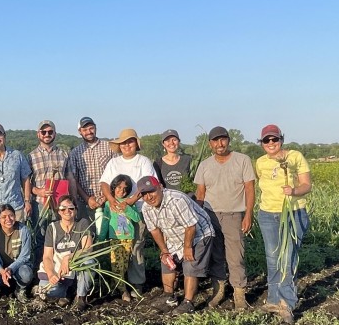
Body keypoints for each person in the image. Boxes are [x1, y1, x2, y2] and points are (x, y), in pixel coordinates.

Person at [194, 126, 256, 310]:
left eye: (223, 139)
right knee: (216, 255)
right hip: (210, 215)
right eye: (215, 140)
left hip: (233, 215)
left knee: (236, 256)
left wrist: (248, 214)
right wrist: (199, 217)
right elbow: (200, 193)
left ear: (228, 140)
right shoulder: (205, 164)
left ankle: (239, 293)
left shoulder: (242, 160)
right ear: (210, 144)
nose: (219, 144)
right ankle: (218, 291)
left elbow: (250, 189)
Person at [255, 124, 311, 324]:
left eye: (274, 139)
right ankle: (272, 299)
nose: (271, 143)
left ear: (281, 140)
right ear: (262, 143)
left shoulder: (294, 157)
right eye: (267, 140)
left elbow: (307, 185)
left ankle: (286, 303)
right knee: (272, 257)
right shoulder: (260, 163)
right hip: (268, 214)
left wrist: (293, 192)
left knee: (288, 258)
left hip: (292, 214)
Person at [139, 176, 215, 315]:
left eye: (152, 191)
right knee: (167, 262)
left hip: (199, 233)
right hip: (175, 236)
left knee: (190, 264)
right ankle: (169, 297)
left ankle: (188, 302)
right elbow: (154, 230)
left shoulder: (177, 200)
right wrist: (164, 250)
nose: (149, 197)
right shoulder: (146, 208)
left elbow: (191, 226)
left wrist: (187, 248)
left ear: (160, 187)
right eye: (144, 194)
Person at [99, 128, 157, 293]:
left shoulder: (143, 161)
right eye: (123, 142)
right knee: (118, 248)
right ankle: (119, 284)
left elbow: (149, 182)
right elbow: (104, 183)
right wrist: (111, 200)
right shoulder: (114, 163)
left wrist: (131, 201)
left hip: (138, 209)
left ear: (136, 144)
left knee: (136, 246)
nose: (127, 145)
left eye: (130, 141)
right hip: (117, 213)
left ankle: (136, 283)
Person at [36, 195, 94, 311]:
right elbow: (47, 256)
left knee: (89, 262)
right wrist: (51, 274)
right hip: (57, 268)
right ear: (59, 212)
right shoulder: (52, 228)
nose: (67, 211)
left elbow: (88, 249)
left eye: (71, 208)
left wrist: (68, 257)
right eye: (63, 209)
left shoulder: (82, 223)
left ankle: (80, 297)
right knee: (49, 293)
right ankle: (67, 292)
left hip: (74, 265)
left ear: (76, 210)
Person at [28, 120, 71, 268]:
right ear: (38, 134)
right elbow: (27, 183)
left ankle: (59, 270)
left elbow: (69, 178)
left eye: (50, 132)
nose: (47, 135)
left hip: (59, 204)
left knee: (59, 237)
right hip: (40, 203)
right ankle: (41, 271)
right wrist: (38, 191)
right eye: (44, 132)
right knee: (40, 237)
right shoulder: (31, 156)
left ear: (55, 134)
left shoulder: (64, 154)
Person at [97, 175, 142, 302]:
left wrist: (127, 209)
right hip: (115, 239)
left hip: (127, 238)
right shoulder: (108, 204)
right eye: (119, 188)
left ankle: (114, 287)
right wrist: (101, 239)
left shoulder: (128, 203)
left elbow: (136, 218)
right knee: (117, 264)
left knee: (124, 265)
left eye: (125, 189)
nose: (121, 191)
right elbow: (105, 222)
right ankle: (123, 291)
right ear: (113, 187)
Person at [0, 123, 32, 225]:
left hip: (16, 208)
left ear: (4, 136)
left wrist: (27, 201)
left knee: (18, 240)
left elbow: (26, 179)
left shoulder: (17, 155)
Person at [66, 116, 113, 223]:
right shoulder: (75, 153)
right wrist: (88, 199)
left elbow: (116, 175)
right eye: (85, 130)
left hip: (109, 200)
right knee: (88, 235)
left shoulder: (109, 147)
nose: (89, 132)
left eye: (91, 128)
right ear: (80, 132)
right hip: (85, 203)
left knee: (110, 234)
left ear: (95, 128)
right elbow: (74, 180)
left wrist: (107, 196)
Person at [0, 204, 33, 301]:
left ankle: (20, 289)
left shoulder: (23, 230)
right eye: (3, 217)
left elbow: (24, 256)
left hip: (18, 265)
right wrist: (2, 271)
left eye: (11, 215)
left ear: (15, 216)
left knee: (26, 275)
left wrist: (11, 268)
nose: (8, 219)